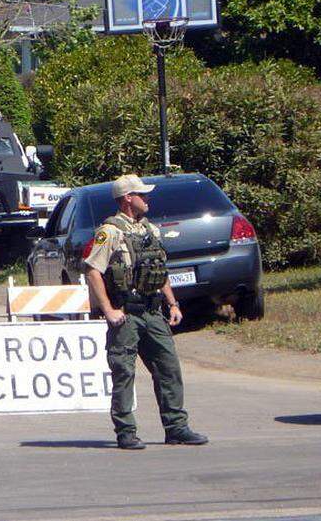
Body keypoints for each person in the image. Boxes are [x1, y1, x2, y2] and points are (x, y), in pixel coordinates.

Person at [84, 174, 207, 450]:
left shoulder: (150, 230)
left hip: (153, 312)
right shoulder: (110, 231)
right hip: (126, 312)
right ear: (128, 198)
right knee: (124, 372)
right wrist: (108, 309)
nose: (147, 198)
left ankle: (176, 427)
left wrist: (172, 304)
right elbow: (92, 270)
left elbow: (158, 270)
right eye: (142, 194)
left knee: (169, 368)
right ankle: (126, 431)